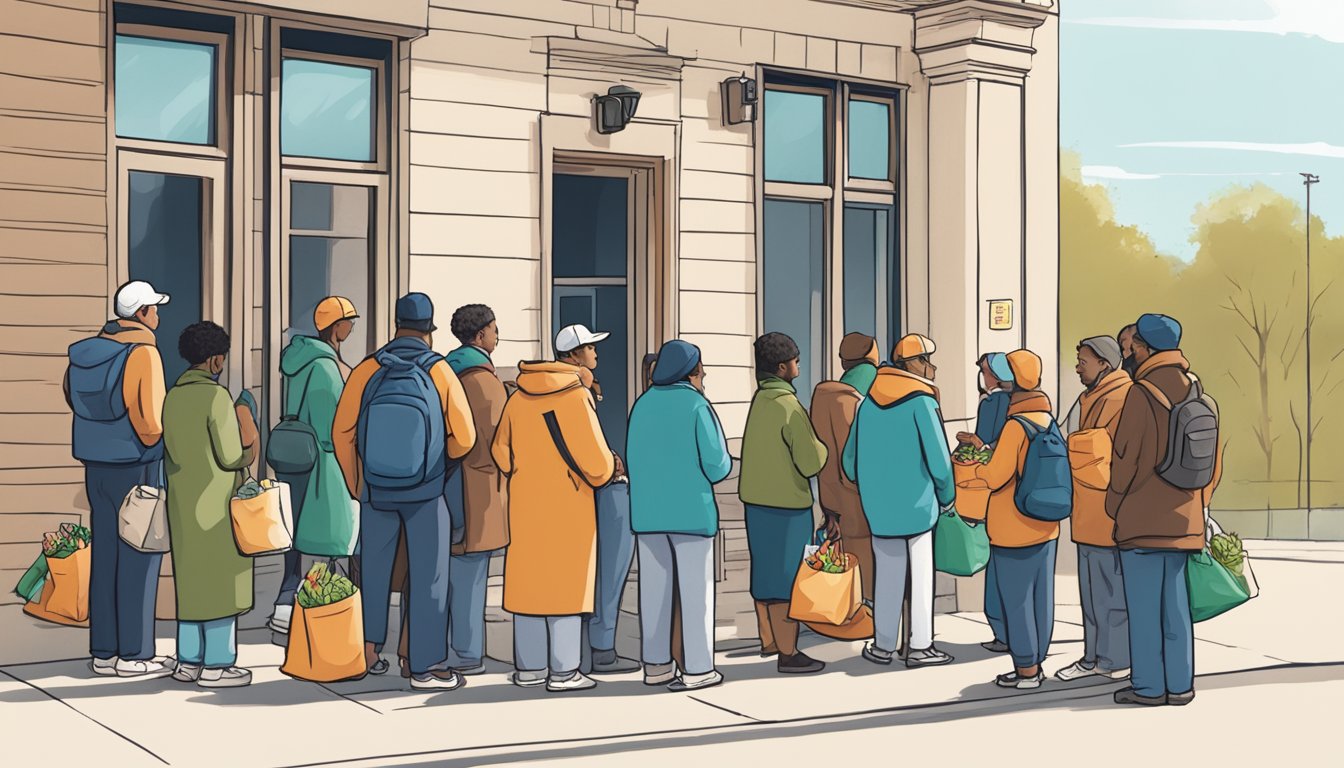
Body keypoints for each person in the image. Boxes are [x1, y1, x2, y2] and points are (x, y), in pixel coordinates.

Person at [333, 292, 475, 692]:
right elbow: (465, 437)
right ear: (429, 330)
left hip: (377, 490)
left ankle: (367, 651)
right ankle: (425, 666)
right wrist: (435, 462)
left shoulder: (368, 369)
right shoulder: (438, 371)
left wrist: (358, 482)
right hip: (426, 493)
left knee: (373, 572)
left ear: (396, 324)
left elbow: (341, 433)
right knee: (430, 575)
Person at [1108, 314, 1219, 707]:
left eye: (1132, 344)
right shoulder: (1198, 391)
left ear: (1143, 346)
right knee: (1175, 607)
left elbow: (1126, 458)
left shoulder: (1141, 393)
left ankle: (1150, 687)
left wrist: (1113, 504)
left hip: (1142, 520)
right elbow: (1213, 463)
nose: (1128, 351)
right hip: (1184, 520)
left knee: (1143, 609)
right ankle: (1181, 684)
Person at [65, 281, 174, 679]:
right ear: (142, 313)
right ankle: (134, 653)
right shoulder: (143, 353)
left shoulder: (85, 354)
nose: (158, 315)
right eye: (154, 309)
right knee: (139, 556)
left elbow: (71, 399)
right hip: (136, 463)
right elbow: (149, 423)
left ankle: (104, 651)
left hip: (95, 465)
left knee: (106, 554)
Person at [492, 347, 616, 692]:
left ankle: (529, 668)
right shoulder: (576, 397)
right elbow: (597, 465)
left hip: (526, 504)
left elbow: (500, 451)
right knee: (566, 586)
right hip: (568, 505)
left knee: (528, 584)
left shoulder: (517, 397)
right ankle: (564, 672)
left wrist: (524, 472)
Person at [842, 334, 956, 668]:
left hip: (879, 509)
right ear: (915, 363)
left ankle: (883, 645)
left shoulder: (867, 403)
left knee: (888, 576)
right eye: (927, 359)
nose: (932, 366)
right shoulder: (923, 402)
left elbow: (849, 462)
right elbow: (939, 461)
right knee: (920, 577)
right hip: (919, 507)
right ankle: (920, 646)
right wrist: (947, 498)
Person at [628, 340, 733, 691]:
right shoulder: (697, 406)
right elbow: (718, 466)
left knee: (654, 594)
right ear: (691, 371)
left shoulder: (641, 406)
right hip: (691, 512)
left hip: (647, 514)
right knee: (695, 594)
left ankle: (656, 666)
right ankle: (698, 668)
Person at [162, 322, 258, 687]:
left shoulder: (173, 396)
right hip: (217, 505)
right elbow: (232, 455)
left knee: (191, 583)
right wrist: (249, 434)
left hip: (182, 502)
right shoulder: (216, 398)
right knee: (220, 584)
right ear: (216, 359)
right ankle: (217, 664)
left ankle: (188, 661)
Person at [269, 297, 360, 637]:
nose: (352, 326)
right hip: (320, 458)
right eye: (349, 320)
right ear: (336, 326)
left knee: (292, 535)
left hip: (293, 455)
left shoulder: (299, 360)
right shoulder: (324, 367)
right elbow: (330, 424)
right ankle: (324, 608)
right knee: (334, 537)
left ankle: (284, 603)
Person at [739, 332, 828, 674]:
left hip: (755, 503)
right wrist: (823, 447)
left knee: (764, 574)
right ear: (782, 367)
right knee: (788, 579)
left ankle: (769, 639)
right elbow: (810, 461)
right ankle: (789, 652)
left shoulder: (759, 403)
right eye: (795, 360)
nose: (798, 365)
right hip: (787, 505)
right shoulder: (790, 407)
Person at [972, 349, 1061, 690]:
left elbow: (996, 476)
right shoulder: (1046, 420)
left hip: (1013, 527)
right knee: (1041, 598)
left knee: (1017, 598)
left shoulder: (1015, 426)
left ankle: (1026, 671)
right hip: (1046, 525)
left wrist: (979, 468)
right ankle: (1037, 659)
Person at [555, 324, 638, 674]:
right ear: (575, 355)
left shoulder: (543, 390)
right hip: (597, 488)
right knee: (611, 567)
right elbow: (589, 450)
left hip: (561, 495)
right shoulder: (578, 390)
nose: (596, 353)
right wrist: (612, 465)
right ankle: (601, 649)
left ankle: (579, 649)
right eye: (590, 347)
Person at [1056, 336, 1132, 682]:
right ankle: (1095, 656)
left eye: (1083, 361)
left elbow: (1094, 449)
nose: (1077, 367)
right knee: (1093, 592)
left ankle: (1111, 659)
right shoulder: (1089, 397)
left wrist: (1075, 447)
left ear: (1103, 363)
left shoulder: (1122, 396)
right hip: (1088, 511)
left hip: (1106, 512)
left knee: (1109, 591)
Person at [440, 304, 510, 676]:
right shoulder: (483, 380)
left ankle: (444, 645)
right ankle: (466, 652)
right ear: (480, 335)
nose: (498, 335)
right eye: (495, 330)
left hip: (444, 486)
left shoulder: (444, 371)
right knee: (470, 573)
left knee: (447, 571)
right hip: (477, 489)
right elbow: (499, 442)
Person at [810, 333, 880, 604]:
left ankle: (841, 607)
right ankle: (866, 609)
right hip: (859, 492)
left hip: (829, 492)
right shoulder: (867, 395)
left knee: (840, 554)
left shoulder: (825, 394)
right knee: (866, 558)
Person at [955, 352, 1014, 654]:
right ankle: (1005, 631)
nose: (984, 376)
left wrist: (975, 442)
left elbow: (989, 442)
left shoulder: (995, 402)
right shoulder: (1007, 401)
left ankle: (1002, 631)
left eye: (987, 371)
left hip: (990, 485)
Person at [956, 352, 1014, 448]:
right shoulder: (1011, 398)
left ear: (995, 376)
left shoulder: (990, 402)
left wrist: (971, 439)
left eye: (983, 372)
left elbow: (984, 440)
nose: (982, 376)